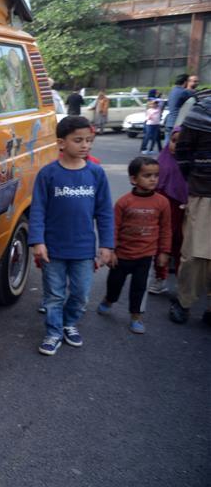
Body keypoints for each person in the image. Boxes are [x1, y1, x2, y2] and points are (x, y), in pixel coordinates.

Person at [30, 116, 114, 355]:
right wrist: (37, 241)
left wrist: (107, 245)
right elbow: (38, 210)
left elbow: (105, 212)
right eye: (78, 140)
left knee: (81, 294)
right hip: (53, 249)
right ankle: (54, 331)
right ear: (61, 143)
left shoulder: (96, 174)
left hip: (84, 250)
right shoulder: (48, 175)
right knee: (54, 295)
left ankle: (69, 323)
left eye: (89, 140)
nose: (85, 145)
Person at [97, 157, 170, 334]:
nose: (153, 179)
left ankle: (136, 316)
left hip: (145, 256)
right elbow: (113, 227)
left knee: (139, 288)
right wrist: (111, 250)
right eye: (147, 175)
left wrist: (164, 251)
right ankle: (109, 299)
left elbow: (166, 229)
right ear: (133, 179)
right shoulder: (124, 202)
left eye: (156, 175)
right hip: (122, 255)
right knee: (115, 283)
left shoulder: (162, 202)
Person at [169, 97, 211, 326]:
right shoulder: (202, 109)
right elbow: (183, 151)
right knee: (195, 254)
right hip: (205, 192)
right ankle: (184, 302)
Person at [148, 127, 188, 294]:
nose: (176, 146)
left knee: (183, 247)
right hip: (164, 212)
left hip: (185, 211)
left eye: (182, 143)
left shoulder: (191, 163)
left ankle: (182, 284)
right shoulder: (163, 160)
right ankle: (160, 278)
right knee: (162, 245)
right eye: (173, 141)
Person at [164, 74, 198, 145]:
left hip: (169, 121)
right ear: (185, 82)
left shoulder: (173, 90)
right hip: (177, 123)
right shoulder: (184, 92)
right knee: (175, 146)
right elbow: (196, 98)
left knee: (167, 145)